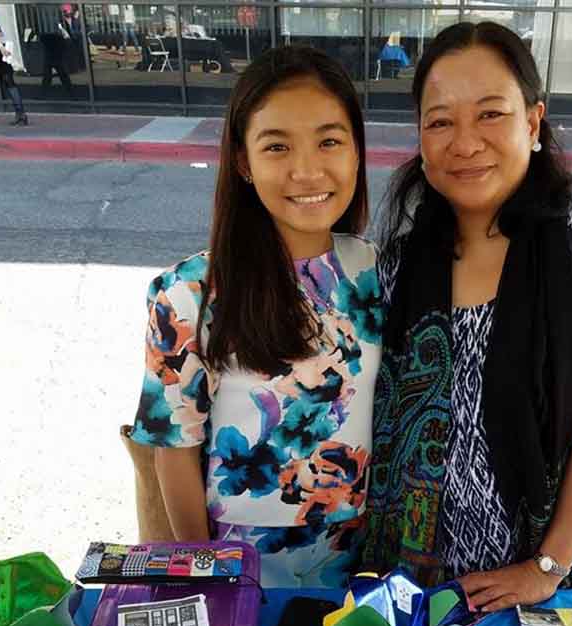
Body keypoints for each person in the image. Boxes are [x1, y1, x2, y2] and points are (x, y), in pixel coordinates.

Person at [363, 22, 572, 610]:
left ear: (534, 122)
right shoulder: (396, 264)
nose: (464, 143)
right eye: (440, 121)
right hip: (402, 584)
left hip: (524, 586)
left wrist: (545, 570)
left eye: (490, 114)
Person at [129, 46, 382, 589]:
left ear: (357, 152)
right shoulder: (186, 294)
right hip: (240, 562)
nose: (307, 169)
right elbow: (175, 451)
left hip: (363, 551)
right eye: (277, 146)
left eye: (330, 141)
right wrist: (208, 576)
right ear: (243, 162)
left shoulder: (377, 271)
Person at [0, 6, 28, 126]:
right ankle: (21, 115)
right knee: (8, 80)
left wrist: (0, 47)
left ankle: (20, 115)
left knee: (8, 80)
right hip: (3, 46)